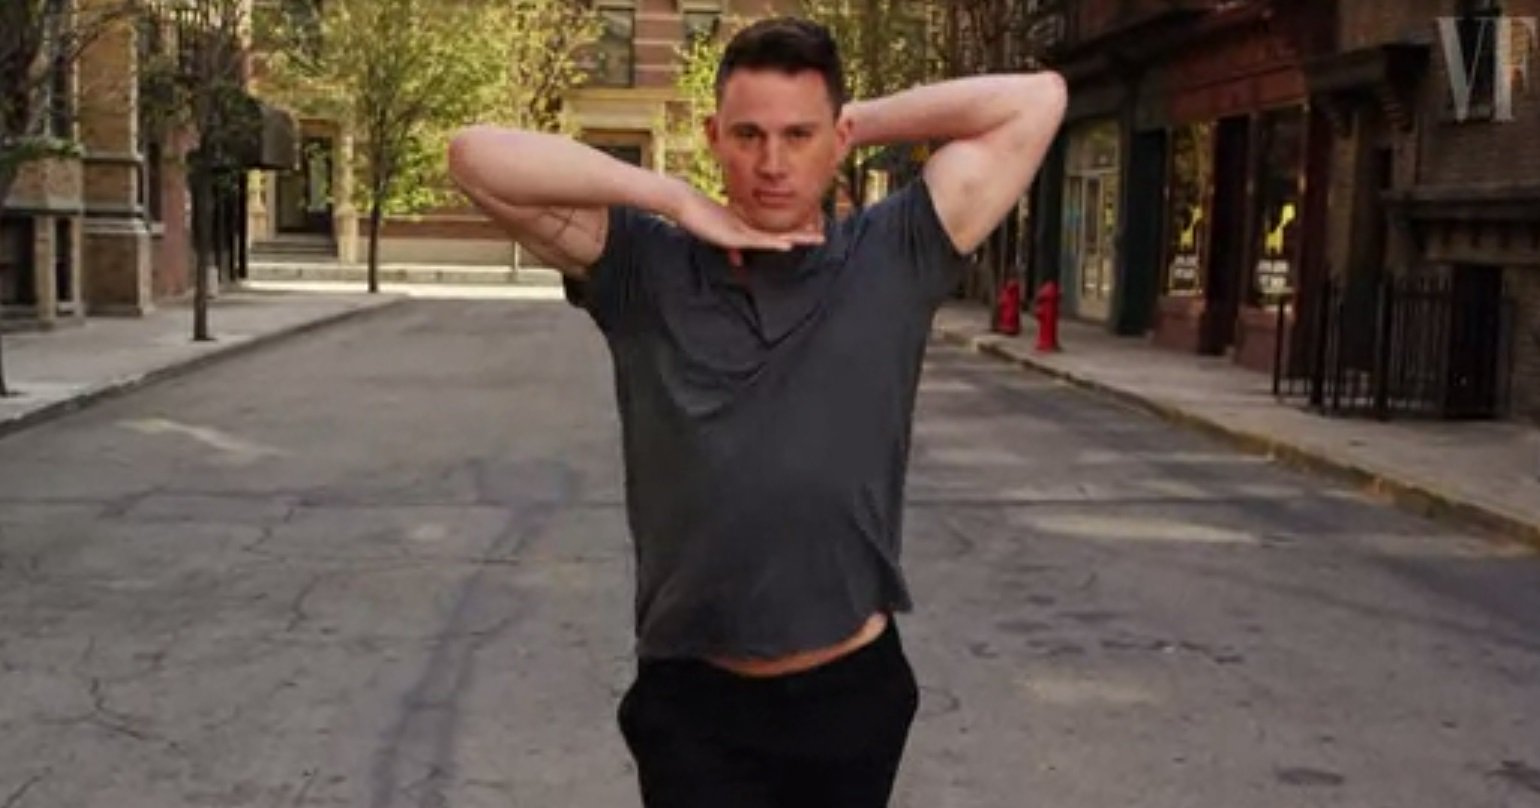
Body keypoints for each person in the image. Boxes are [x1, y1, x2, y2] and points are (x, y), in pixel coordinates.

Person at [447, 17, 1065, 808]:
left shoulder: (894, 254)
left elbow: (1037, 98)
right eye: (748, 135)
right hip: (695, 706)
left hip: (848, 695)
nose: (772, 163)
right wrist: (675, 198)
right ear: (713, 137)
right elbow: (474, 156)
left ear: (837, 139)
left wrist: (848, 120)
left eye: (798, 135)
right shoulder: (644, 267)